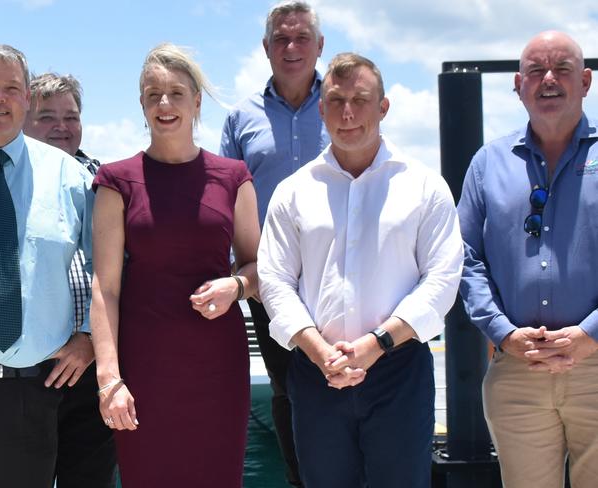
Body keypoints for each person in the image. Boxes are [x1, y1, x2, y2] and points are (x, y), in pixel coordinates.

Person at [258, 52, 463, 488]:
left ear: (383, 107)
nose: (347, 113)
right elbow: (275, 281)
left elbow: (442, 281)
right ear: (321, 109)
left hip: (398, 371)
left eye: (360, 99)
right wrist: (317, 351)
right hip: (316, 372)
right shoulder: (293, 193)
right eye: (335, 100)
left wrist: (378, 343)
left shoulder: (425, 187)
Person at [90, 43, 260, 487]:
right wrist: (110, 379)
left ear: (197, 101)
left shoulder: (233, 176)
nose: (164, 104)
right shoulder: (116, 180)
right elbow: (104, 287)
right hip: (143, 367)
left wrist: (235, 288)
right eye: (153, 94)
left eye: (176, 93)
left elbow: (259, 268)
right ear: (142, 104)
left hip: (218, 368)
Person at [0, 44, 94, 488]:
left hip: (29, 397)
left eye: (11, 88)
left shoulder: (71, 178)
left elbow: (111, 270)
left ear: (27, 97)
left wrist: (88, 336)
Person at [458, 31, 598, 488]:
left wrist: (589, 334)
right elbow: (466, 258)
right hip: (517, 368)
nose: (549, 80)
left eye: (562, 68)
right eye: (536, 71)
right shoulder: (487, 164)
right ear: (518, 85)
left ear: (587, 81)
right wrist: (503, 333)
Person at [220, 2, 329, 484]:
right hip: (271, 283)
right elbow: (224, 201)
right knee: (287, 391)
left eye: (302, 38)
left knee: (347, 383)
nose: (291, 48)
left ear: (319, 46)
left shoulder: (345, 102)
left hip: (342, 275)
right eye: (281, 40)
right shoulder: (241, 118)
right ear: (266, 49)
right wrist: (243, 278)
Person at [23, 72, 117, 488]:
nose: (61, 126)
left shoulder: (108, 183)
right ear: (24, 118)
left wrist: (89, 341)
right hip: (22, 372)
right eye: (46, 116)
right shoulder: (3, 180)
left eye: (71, 116)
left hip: (92, 361)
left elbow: (122, 272)